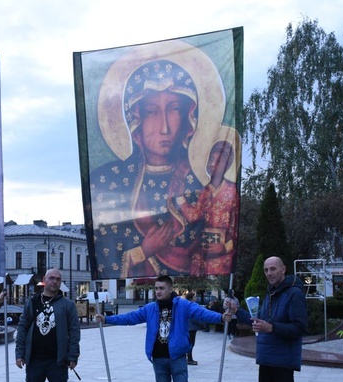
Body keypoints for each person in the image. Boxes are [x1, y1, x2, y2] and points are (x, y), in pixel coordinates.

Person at [89, 59, 206, 278]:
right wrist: (142, 251)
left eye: (174, 110)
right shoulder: (106, 182)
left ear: (189, 118)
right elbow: (105, 255)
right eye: (152, 112)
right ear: (135, 120)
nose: (165, 127)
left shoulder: (196, 183)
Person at [95, 275, 232, 382]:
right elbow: (130, 318)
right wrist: (107, 319)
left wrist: (220, 317)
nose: (158, 291)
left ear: (170, 289)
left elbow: (201, 313)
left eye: (161, 288)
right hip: (158, 358)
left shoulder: (182, 305)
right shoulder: (151, 308)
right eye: (156, 288)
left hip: (177, 357)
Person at [14, 268, 81, 382]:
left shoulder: (67, 305)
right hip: (35, 358)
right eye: (51, 278)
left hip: (57, 359)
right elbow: (22, 327)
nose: (55, 282)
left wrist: (73, 355)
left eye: (58, 279)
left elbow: (74, 332)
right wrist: (19, 353)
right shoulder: (32, 302)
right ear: (44, 279)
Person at [173, 138, 240, 275]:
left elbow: (236, 226)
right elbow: (194, 216)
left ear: (227, 165)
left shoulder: (232, 192)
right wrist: (180, 196)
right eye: (210, 159)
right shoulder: (205, 191)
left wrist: (224, 247)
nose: (212, 164)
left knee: (217, 281)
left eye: (218, 160)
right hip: (203, 250)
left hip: (222, 255)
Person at [183, 291, 202, 365]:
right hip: (191, 327)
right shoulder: (191, 307)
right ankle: (189, 359)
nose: (196, 298)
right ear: (191, 299)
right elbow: (194, 318)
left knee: (189, 343)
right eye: (195, 297)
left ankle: (187, 358)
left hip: (189, 327)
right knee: (191, 343)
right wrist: (202, 325)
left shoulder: (186, 306)